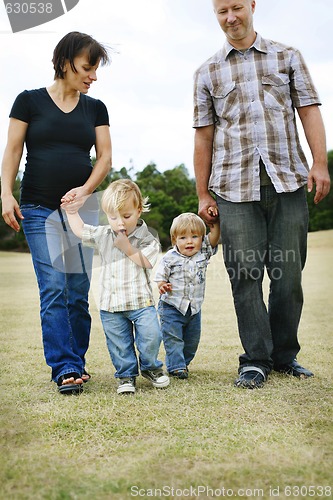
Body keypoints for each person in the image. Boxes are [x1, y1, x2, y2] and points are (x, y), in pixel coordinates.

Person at [193, 0, 331, 389]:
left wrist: (319, 163)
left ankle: (285, 356)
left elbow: (309, 109)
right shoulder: (207, 72)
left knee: (288, 277)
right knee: (244, 275)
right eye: (222, 11)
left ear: (252, 5)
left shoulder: (288, 56)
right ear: (215, 13)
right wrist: (203, 193)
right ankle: (255, 360)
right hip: (233, 190)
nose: (230, 17)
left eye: (237, 7)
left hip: (287, 180)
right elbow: (204, 136)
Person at [1, 32, 112, 395]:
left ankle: (76, 362)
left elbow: (105, 159)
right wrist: (5, 193)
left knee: (78, 292)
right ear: (65, 62)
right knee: (53, 288)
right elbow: (13, 151)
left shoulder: (95, 108)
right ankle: (64, 368)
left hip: (83, 211)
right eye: (86, 68)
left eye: (95, 70)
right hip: (36, 207)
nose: (92, 76)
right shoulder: (29, 101)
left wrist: (85, 190)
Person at [62, 179, 170, 395]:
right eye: (113, 217)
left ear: (139, 211)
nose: (120, 223)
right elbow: (81, 230)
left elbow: (147, 262)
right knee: (119, 345)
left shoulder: (148, 238)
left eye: (126, 216)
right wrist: (71, 212)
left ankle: (150, 367)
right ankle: (126, 375)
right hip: (111, 306)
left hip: (141, 303)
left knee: (151, 336)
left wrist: (127, 247)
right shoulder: (103, 235)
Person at [155, 212, 220, 379]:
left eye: (195, 236)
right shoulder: (169, 258)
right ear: (174, 240)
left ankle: (183, 362)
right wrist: (163, 285)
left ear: (201, 238)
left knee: (192, 341)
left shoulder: (203, 254)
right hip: (171, 306)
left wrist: (216, 226)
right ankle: (176, 367)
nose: (189, 241)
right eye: (183, 237)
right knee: (174, 339)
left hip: (194, 308)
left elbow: (213, 239)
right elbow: (160, 277)